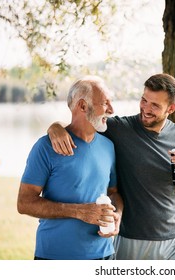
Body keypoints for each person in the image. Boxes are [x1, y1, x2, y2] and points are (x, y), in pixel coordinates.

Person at [48, 73, 175, 260]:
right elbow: (80, 124)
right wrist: (55, 127)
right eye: (144, 100)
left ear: (171, 108)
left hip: (173, 239)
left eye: (155, 105)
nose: (146, 108)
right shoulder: (120, 129)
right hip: (130, 239)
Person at [17, 75, 123, 260]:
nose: (112, 110)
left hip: (104, 255)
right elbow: (24, 203)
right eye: (105, 103)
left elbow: (113, 192)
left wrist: (118, 214)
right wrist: (79, 212)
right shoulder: (46, 147)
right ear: (82, 106)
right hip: (55, 256)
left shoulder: (109, 146)